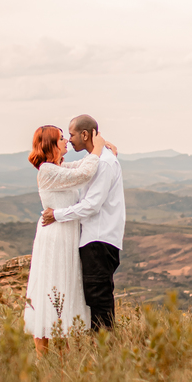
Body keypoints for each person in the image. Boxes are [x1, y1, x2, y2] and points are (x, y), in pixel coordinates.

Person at [23, 123, 110, 355]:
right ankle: (44, 357)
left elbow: (82, 164)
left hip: (67, 236)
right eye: (61, 138)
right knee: (52, 288)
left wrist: (100, 147)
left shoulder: (57, 167)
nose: (66, 141)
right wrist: (98, 149)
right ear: (50, 144)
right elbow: (84, 174)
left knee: (64, 287)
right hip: (56, 238)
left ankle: (61, 354)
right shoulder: (47, 171)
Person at [40, 113, 126, 332]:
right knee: (95, 296)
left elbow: (91, 205)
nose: (69, 140)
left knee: (98, 297)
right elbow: (77, 169)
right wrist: (101, 146)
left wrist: (57, 215)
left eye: (71, 134)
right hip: (96, 237)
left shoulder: (104, 163)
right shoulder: (98, 160)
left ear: (85, 134)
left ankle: (104, 345)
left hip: (99, 238)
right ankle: (101, 344)